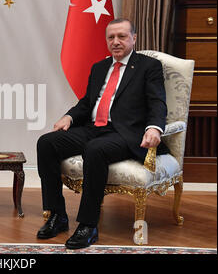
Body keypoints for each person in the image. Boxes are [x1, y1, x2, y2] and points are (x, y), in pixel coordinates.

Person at [36, 18, 169, 249]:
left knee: (95, 150)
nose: (116, 42)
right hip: (93, 128)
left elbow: (158, 102)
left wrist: (154, 127)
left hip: (125, 132)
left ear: (134, 38)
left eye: (122, 36)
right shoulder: (99, 67)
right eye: (111, 37)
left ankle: (88, 225)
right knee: (47, 143)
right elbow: (87, 104)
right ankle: (57, 215)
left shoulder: (149, 66)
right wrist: (69, 116)